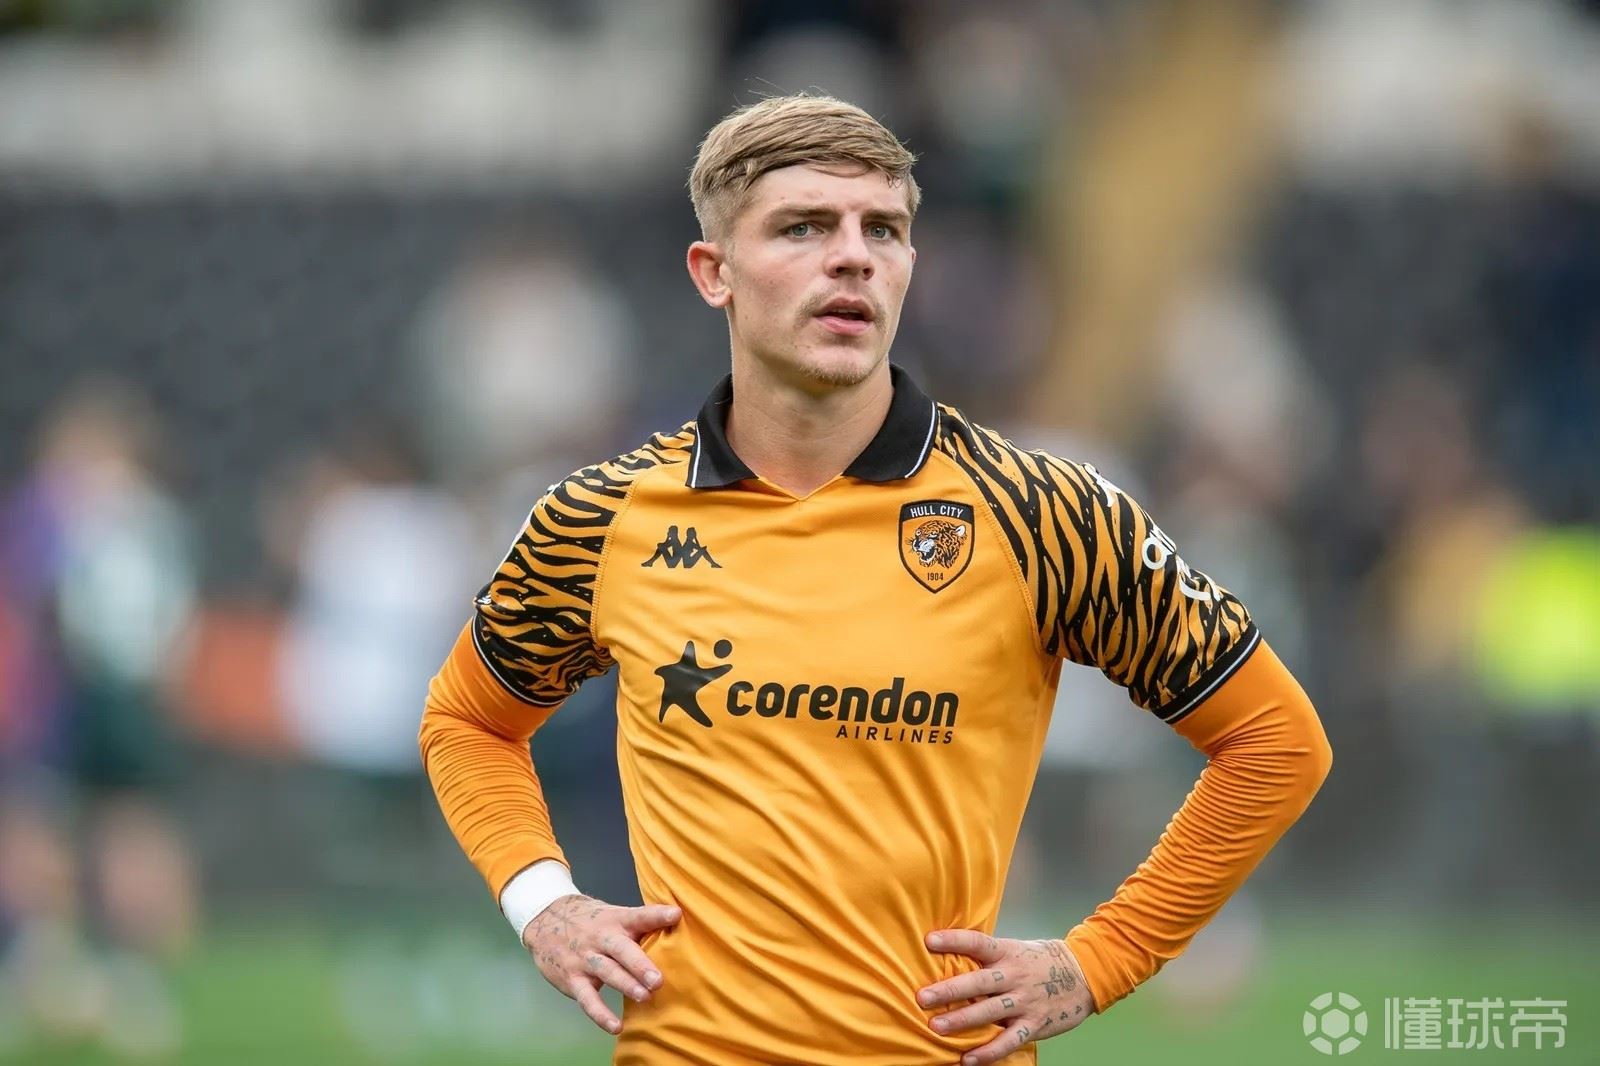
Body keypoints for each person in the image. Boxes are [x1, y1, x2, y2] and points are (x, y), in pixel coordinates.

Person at [420, 94, 1332, 1066]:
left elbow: (1275, 740)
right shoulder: (602, 517)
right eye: (803, 227)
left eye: (882, 230)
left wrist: (1101, 958)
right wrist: (543, 901)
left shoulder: (1042, 513)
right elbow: (468, 720)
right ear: (713, 272)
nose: (852, 256)